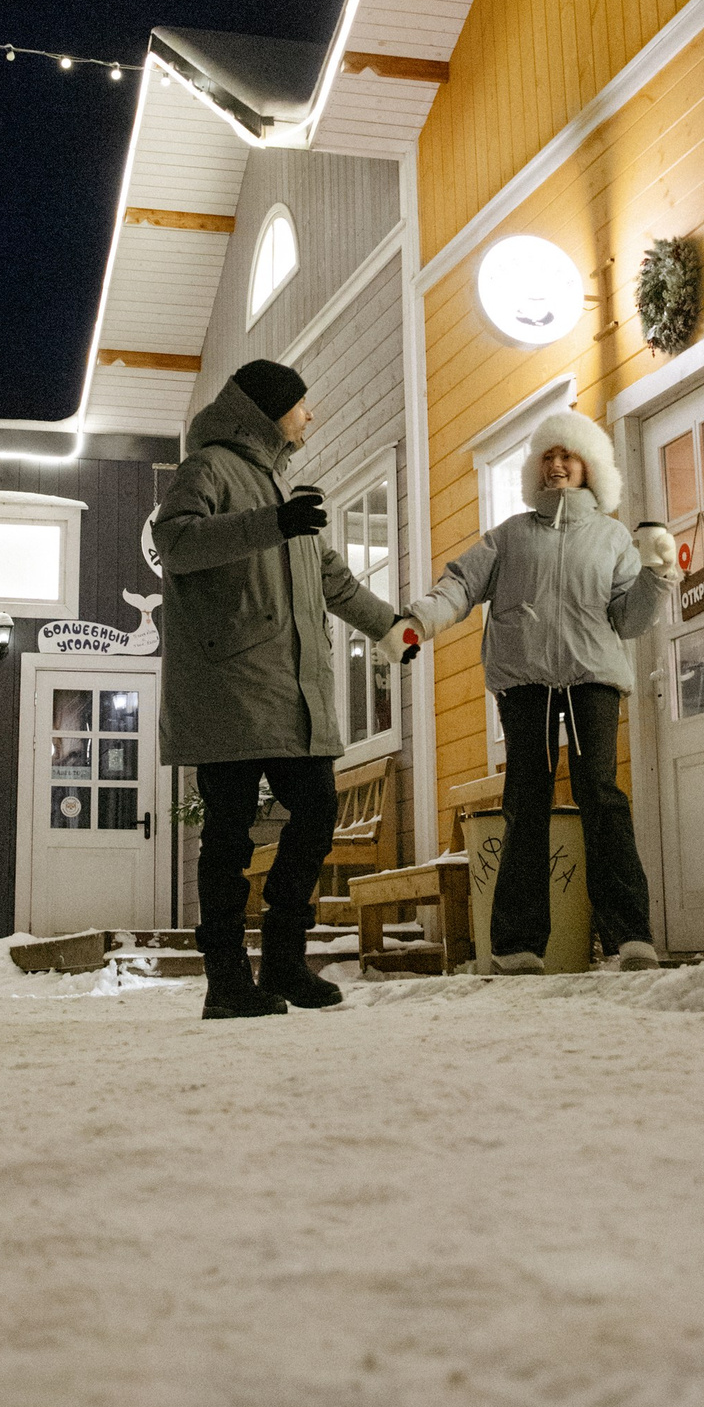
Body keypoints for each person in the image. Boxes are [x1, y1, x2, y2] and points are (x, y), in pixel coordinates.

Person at [153, 359, 418, 1019]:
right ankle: (226, 980)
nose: (310, 415)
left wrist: (392, 629)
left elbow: (330, 577)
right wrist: (271, 524)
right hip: (230, 687)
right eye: (301, 404)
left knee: (318, 810)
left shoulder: (281, 486)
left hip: (294, 690)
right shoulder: (208, 468)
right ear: (267, 411)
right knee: (229, 834)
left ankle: (283, 961)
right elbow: (176, 542)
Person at [403, 408, 675, 974]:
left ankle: (631, 938)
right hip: (524, 682)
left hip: (592, 679)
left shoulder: (611, 538)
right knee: (526, 801)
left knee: (601, 795)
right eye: (548, 455)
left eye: (567, 455)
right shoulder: (510, 536)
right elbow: (460, 583)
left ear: (589, 466)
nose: (557, 464)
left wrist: (656, 575)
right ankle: (516, 946)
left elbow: (629, 619)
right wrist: (420, 620)